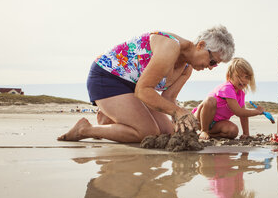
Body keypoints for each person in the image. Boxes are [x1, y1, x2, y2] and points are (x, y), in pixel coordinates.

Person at [58, 26, 235, 143]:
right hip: (107, 77)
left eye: (216, 65)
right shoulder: (170, 47)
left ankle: (109, 118)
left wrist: (181, 120)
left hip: (133, 87)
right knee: (146, 133)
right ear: (201, 45)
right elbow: (143, 91)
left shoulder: (186, 68)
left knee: (166, 132)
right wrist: (178, 112)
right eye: (212, 61)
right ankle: (85, 130)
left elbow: (168, 98)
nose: (211, 68)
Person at [193, 57, 264, 140]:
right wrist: (257, 112)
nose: (243, 80)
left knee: (233, 131)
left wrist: (246, 133)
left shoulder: (241, 94)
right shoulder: (227, 88)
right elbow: (238, 112)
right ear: (229, 76)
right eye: (239, 76)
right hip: (200, 119)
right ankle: (204, 131)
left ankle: (210, 134)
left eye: (246, 77)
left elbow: (243, 116)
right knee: (210, 100)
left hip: (216, 124)